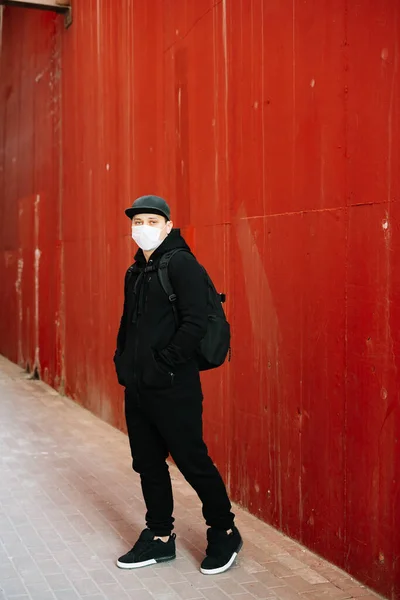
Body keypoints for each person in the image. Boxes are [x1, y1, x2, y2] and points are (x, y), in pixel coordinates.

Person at [113, 195, 242, 575]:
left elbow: (195, 324)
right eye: (138, 221)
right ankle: (159, 537)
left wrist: (163, 363)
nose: (144, 228)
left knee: (192, 460)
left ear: (168, 226)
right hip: (137, 387)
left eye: (152, 221)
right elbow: (129, 325)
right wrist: (123, 363)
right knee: (148, 463)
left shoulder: (182, 264)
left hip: (173, 385)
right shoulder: (135, 271)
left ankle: (224, 530)